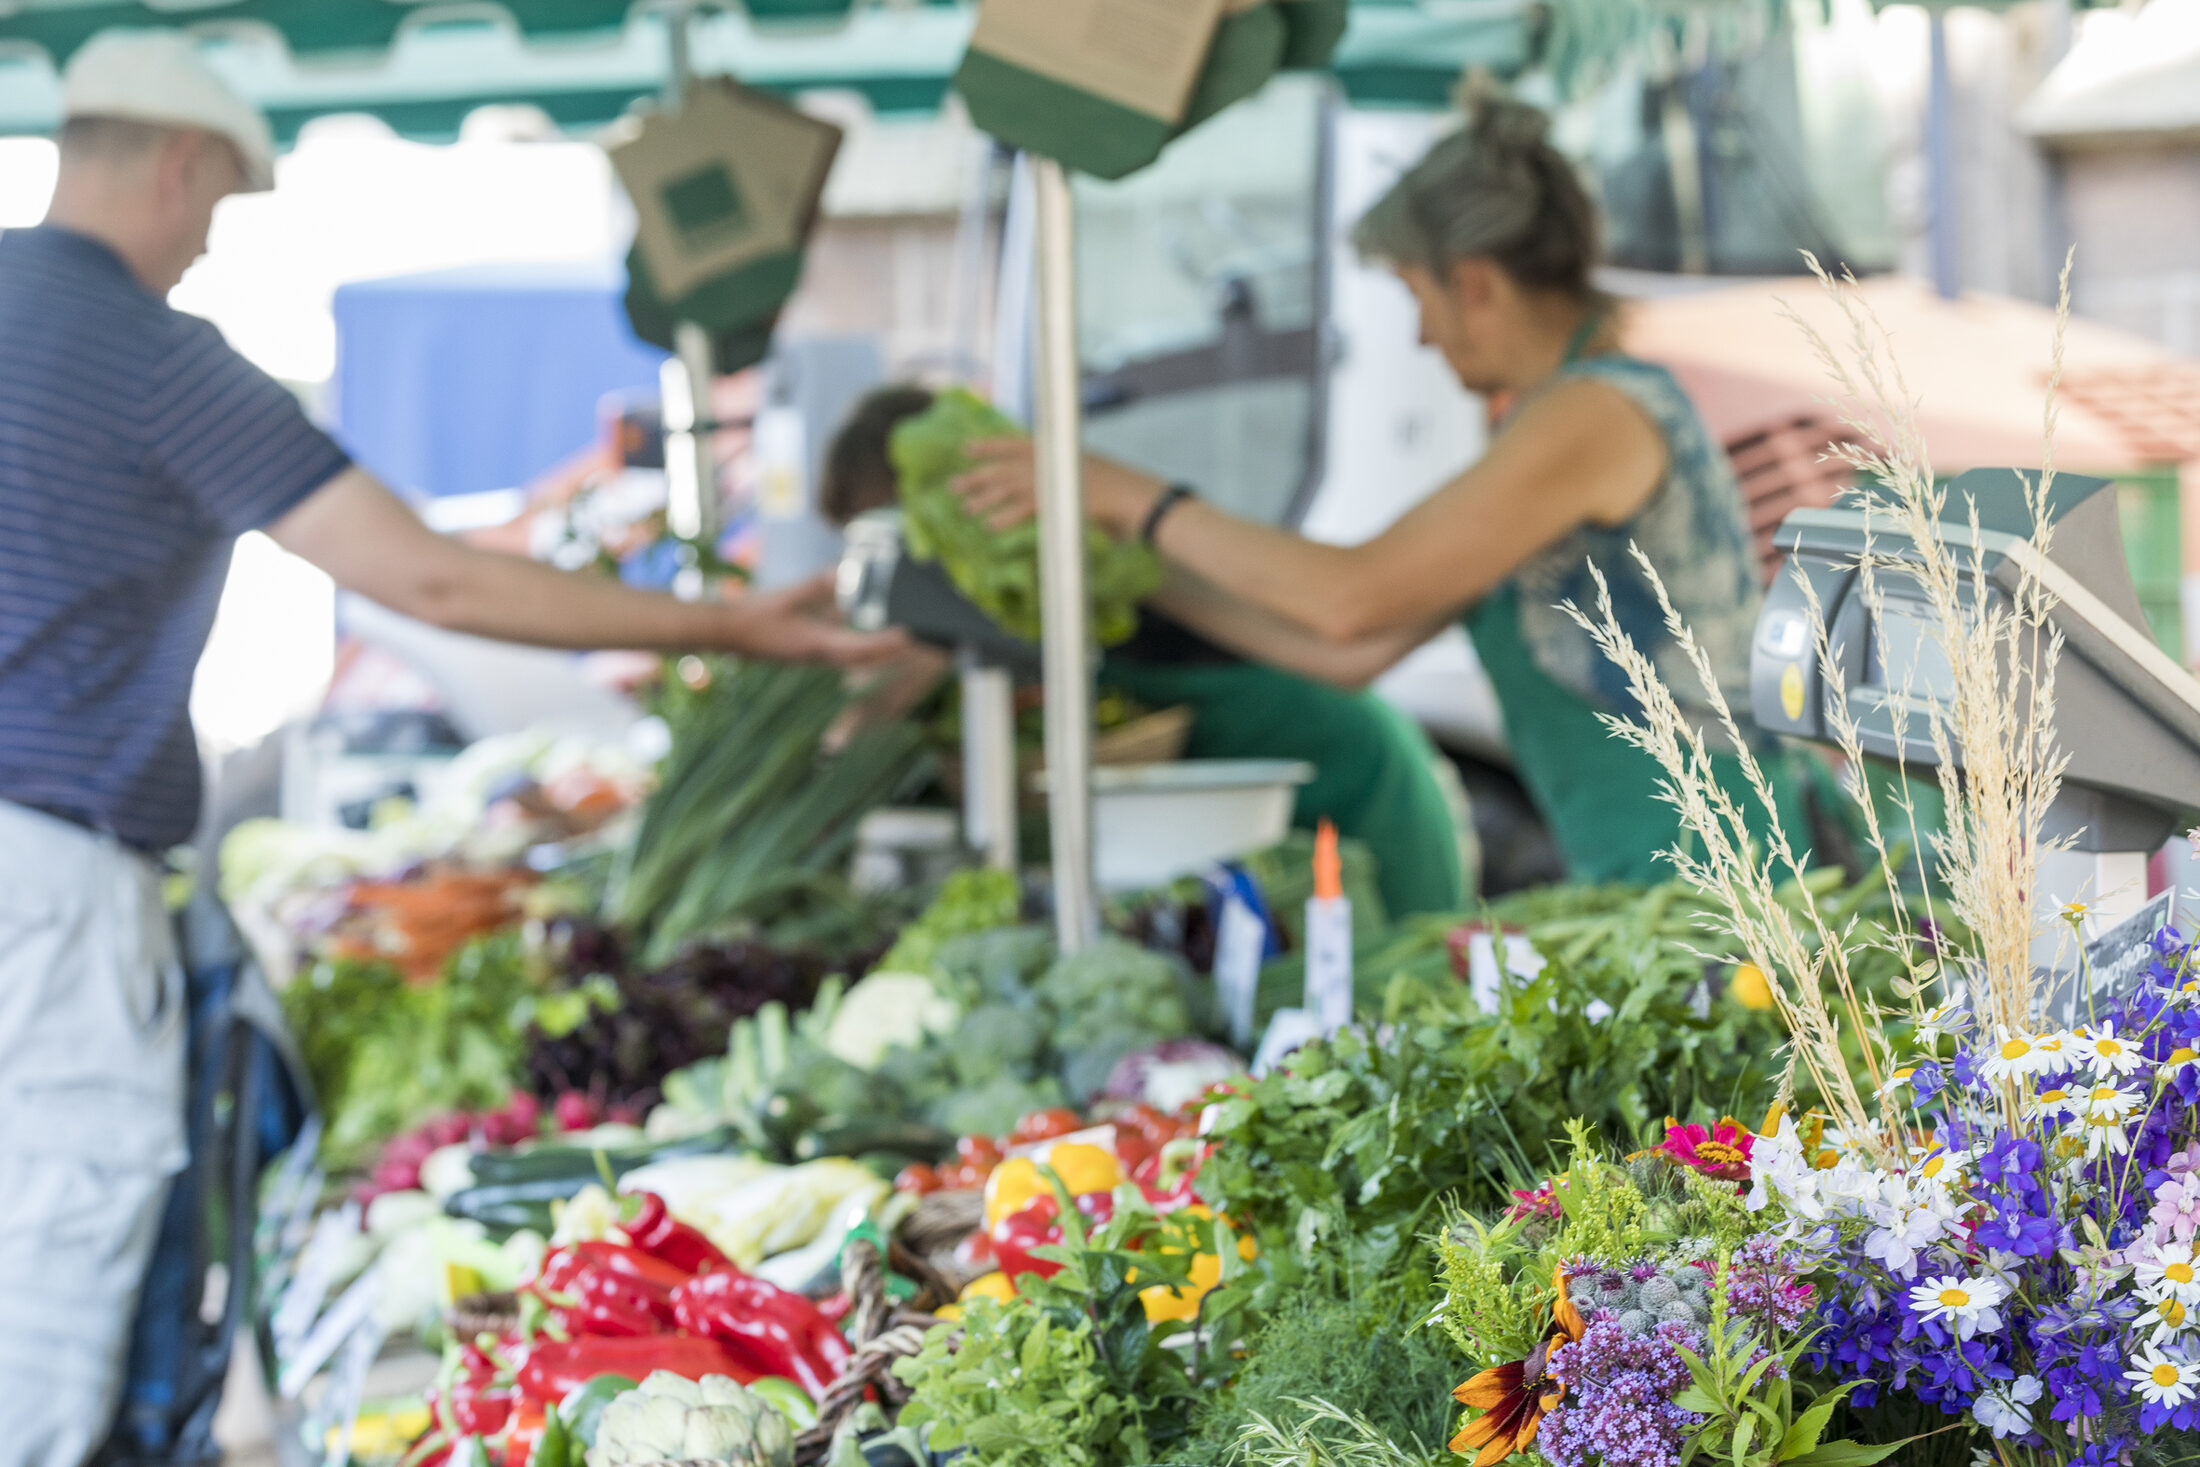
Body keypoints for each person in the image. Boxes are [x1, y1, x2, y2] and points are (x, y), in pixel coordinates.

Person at [0, 32, 900, 1466]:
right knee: (54, 1229)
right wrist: (744, 625)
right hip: (46, 872)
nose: (207, 249)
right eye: (222, 210)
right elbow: (432, 578)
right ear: (179, 165)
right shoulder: (149, 355)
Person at [953, 93, 1809, 887]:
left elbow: (1349, 599)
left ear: (1473, 281)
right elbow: (1346, 653)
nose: (1423, 336)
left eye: (1414, 295)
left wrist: (1129, 498)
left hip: (1725, 869)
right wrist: (1125, 565)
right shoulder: (1550, 426)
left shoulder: (1595, 412)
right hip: (1653, 867)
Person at [820, 387, 1475, 918]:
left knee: (1405, 963)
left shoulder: (1073, 554)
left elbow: (1345, 626)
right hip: (1253, 800)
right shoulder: (1014, 571)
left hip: (1344, 773)